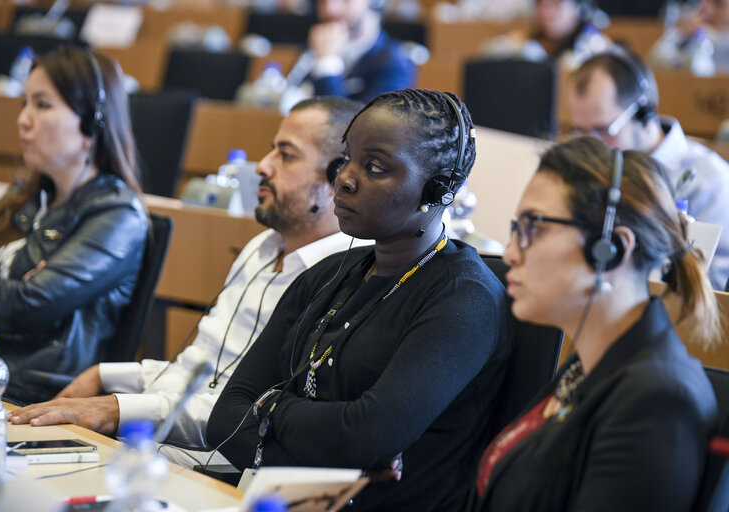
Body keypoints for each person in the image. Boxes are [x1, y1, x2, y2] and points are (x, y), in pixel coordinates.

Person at [9, 96, 366, 467]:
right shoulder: (263, 246)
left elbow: (243, 415)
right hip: (163, 441)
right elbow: (194, 374)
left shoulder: (339, 279)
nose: (262, 167)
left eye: (286, 155)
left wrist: (116, 409)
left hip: (215, 464)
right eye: (271, 151)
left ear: (337, 178)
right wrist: (105, 375)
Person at [207, 89, 512, 511]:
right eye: (346, 158)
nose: (346, 178)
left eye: (374, 166)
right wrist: (338, 458)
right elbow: (224, 419)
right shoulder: (325, 275)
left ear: (437, 189)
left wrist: (270, 406)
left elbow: (365, 435)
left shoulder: (464, 299)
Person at [473, 136, 719, 511]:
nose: (509, 253)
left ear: (612, 248)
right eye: (515, 228)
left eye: (533, 228)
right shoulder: (588, 364)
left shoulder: (656, 401)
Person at [0, 46, 148, 404]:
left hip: (31, 392)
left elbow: (27, 306)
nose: (23, 119)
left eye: (42, 105)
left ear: (92, 124)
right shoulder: (26, 197)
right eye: (24, 104)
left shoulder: (117, 214)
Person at [568, 50, 729, 289]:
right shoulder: (592, 168)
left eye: (602, 130)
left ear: (643, 114)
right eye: (581, 131)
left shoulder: (709, 181)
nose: (592, 145)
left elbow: (716, 287)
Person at [305, 0, 415, 102]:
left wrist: (327, 63)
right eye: (323, 1)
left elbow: (355, 122)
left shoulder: (395, 63)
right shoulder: (316, 45)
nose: (330, 10)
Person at [482, 0, 611, 63]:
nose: (546, 12)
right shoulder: (524, 44)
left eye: (556, 4)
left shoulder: (595, 46)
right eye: (541, 4)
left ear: (578, 9)